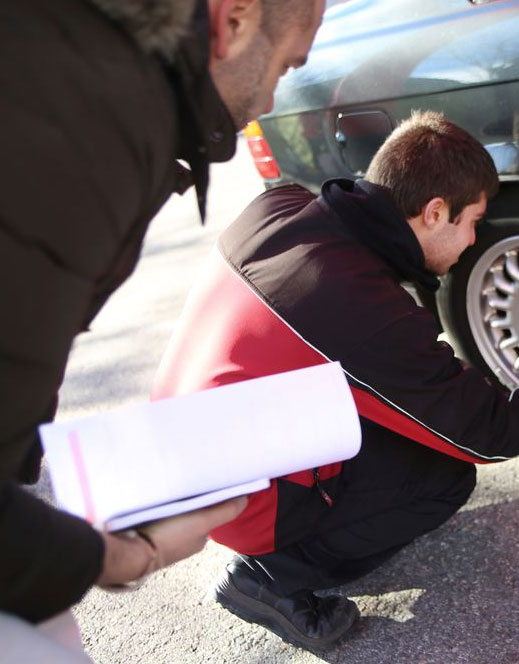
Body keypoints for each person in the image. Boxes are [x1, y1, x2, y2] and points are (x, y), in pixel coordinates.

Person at [151, 110, 519, 654]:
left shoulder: (281, 207)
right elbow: (485, 432)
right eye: (473, 222)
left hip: (198, 446)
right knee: (444, 474)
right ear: (435, 211)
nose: (474, 240)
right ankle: (270, 574)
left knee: (408, 421)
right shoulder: (355, 306)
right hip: (237, 499)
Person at [0, 0, 325, 654]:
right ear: (233, 19)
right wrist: (124, 557)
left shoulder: (69, 66)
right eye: (285, 66)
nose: (267, 100)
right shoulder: (93, 121)